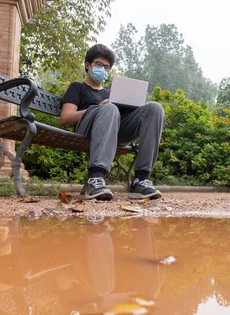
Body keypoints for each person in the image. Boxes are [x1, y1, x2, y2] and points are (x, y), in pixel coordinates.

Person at [59, 44, 165, 201]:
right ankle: (95, 178)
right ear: (88, 65)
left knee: (154, 108)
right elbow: (65, 118)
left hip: (113, 131)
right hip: (86, 130)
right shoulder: (77, 88)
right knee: (110, 108)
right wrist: (98, 108)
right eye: (98, 64)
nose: (102, 69)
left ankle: (140, 180)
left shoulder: (111, 93)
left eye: (106, 67)